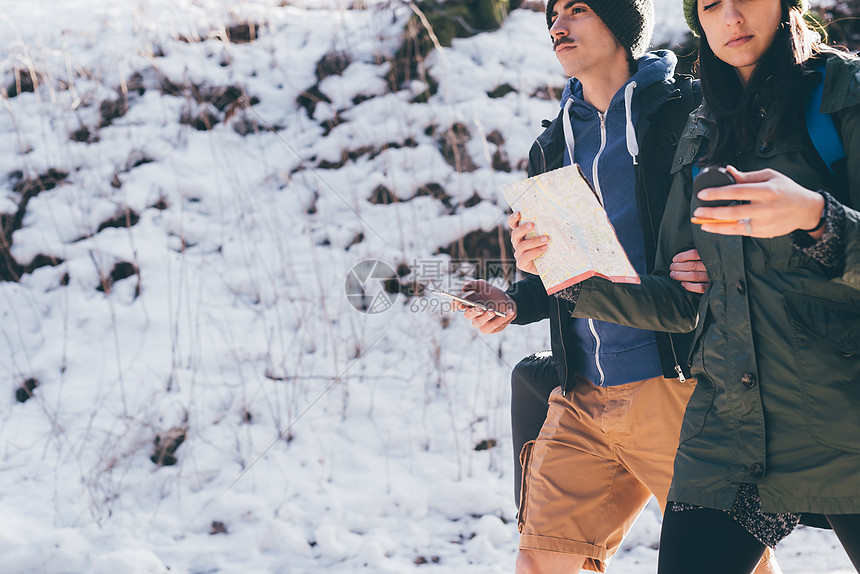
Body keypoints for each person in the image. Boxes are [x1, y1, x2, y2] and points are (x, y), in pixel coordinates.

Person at [532, 0, 860, 571]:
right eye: (710, 4)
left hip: (844, 416)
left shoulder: (840, 96)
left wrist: (814, 215)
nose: (730, 17)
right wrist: (561, 278)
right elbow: (682, 304)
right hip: (730, 434)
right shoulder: (704, 131)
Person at [458, 1, 780, 572]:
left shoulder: (690, 113)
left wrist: (716, 265)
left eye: (576, 10)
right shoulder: (552, 144)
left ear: (622, 22)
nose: (557, 26)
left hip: (679, 389)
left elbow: (742, 222)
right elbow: (563, 275)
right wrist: (516, 298)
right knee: (541, 561)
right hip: (580, 396)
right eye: (551, 16)